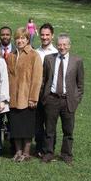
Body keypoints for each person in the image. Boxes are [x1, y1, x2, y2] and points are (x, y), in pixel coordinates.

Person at [40, 33, 84, 165]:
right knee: (49, 129)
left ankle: (66, 154)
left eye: (65, 44)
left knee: (68, 130)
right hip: (52, 99)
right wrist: (45, 97)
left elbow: (80, 84)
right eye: (59, 44)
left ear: (69, 46)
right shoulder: (49, 59)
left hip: (68, 100)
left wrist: (76, 99)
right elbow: (44, 79)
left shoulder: (77, 61)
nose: (62, 47)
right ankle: (48, 153)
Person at [6, 28, 43, 162]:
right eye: (17, 38)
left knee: (27, 127)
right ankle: (18, 152)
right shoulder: (11, 56)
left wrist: (33, 97)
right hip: (13, 98)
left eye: (23, 38)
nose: (20, 41)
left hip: (27, 98)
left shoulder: (34, 55)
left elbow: (37, 78)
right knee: (16, 127)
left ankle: (26, 153)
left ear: (28, 40)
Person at [34, 23, 58, 157]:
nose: (44, 37)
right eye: (42, 35)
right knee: (37, 124)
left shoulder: (56, 53)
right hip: (37, 94)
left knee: (50, 124)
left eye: (47, 35)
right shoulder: (35, 52)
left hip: (50, 95)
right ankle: (38, 148)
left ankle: (49, 149)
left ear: (52, 36)